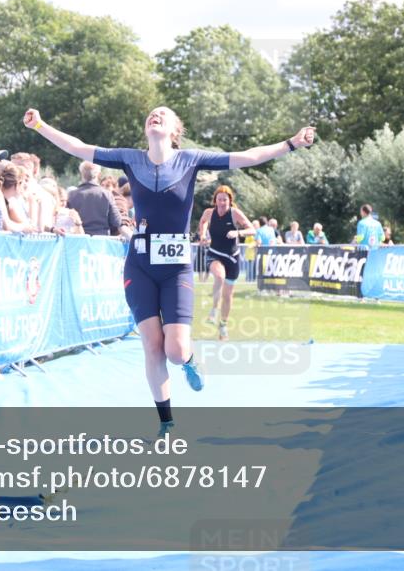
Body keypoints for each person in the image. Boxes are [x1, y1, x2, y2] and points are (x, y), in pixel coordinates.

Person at [23, 105, 315, 436]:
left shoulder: (190, 160)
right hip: (140, 263)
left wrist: (290, 143)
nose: (155, 115)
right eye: (150, 113)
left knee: (175, 350)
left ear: (175, 129)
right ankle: (167, 423)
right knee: (152, 346)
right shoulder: (131, 159)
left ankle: (191, 360)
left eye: (163, 114)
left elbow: (248, 156)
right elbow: (78, 147)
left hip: (176, 268)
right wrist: (41, 126)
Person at [198, 185, 255, 341]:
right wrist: (203, 235)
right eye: (219, 199)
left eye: (225, 199)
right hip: (214, 253)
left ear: (230, 200)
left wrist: (238, 232)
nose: (222, 202)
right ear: (215, 200)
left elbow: (252, 230)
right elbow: (203, 222)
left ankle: (223, 326)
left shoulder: (235, 214)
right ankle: (214, 310)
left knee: (228, 296)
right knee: (219, 276)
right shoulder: (209, 213)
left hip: (232, 257)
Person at [67, 160, 124, 237]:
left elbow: (67, 220)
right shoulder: (106, 194)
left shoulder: (71, 195)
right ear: (99, 174)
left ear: (81, 174)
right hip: (101, 241)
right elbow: (117, 221)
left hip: (78, 240)